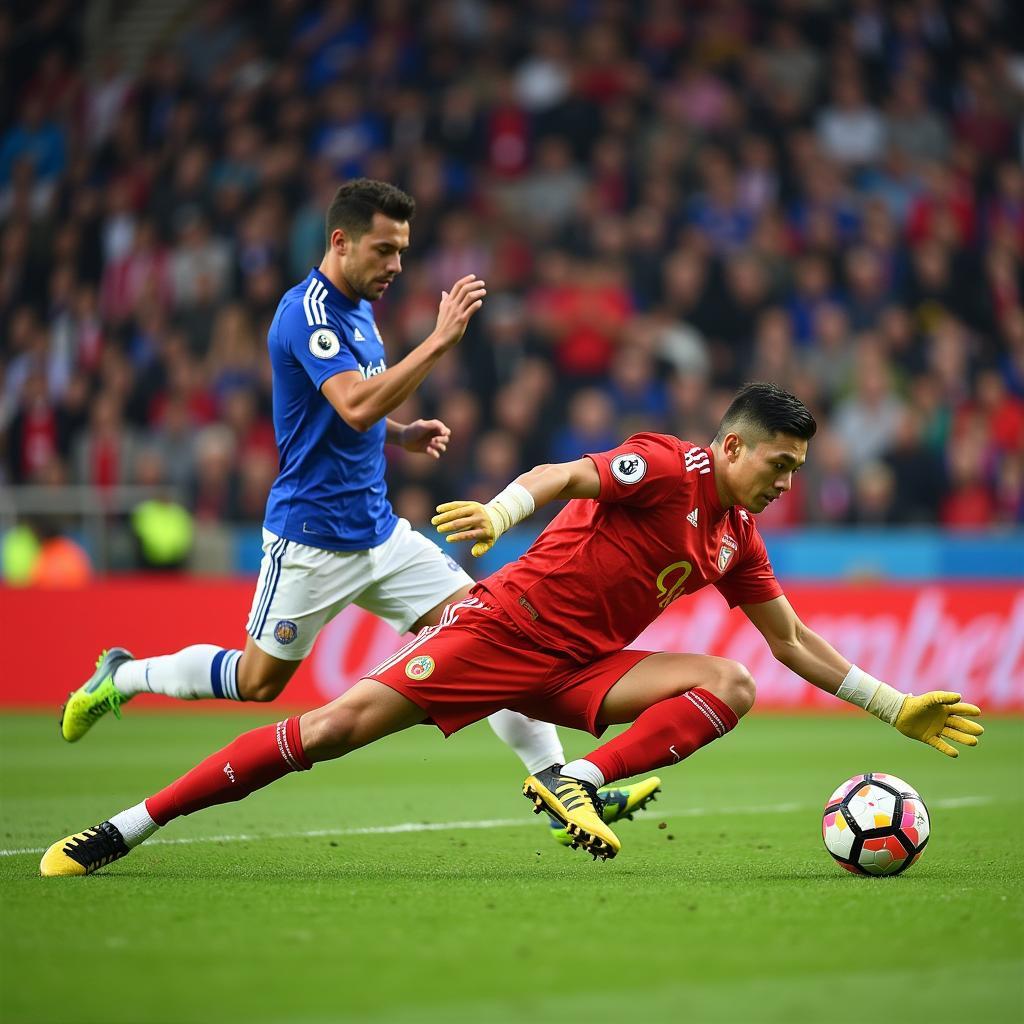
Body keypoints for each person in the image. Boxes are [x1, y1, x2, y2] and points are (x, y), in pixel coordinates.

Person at [40, 383, 984, 875]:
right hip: (500, 628)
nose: (787, 480)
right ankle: (124, 828)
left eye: (797, 469)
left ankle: (580, 778)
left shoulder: (736, 536)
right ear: (733, 445)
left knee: (730, 684)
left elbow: (791, 645)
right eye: (778, 462)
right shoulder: (669, 464)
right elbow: (565, 473)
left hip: (582, 667)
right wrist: (497, 514)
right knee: (321, 730)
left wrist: (890, 703)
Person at [56, 178, 660, 846]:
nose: (395, 266)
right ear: (340, 242)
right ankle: (125, 674)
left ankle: (557, 786)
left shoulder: (361, 307)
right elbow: (351, 404)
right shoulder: (306, 313)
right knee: (258, 682)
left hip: (381, 534)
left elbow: (358, 407)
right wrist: (438, 343)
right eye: (383, 250)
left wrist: (400, 434)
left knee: (492, 635)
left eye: (402, 250)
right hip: (312, 541)